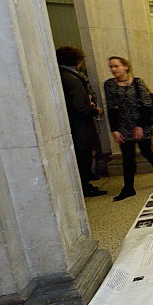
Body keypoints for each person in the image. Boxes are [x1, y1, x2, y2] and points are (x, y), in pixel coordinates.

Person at [104, 56, 153, 201]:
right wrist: (114, 129)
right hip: (123, 125)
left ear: (125, 67)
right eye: (111, 66)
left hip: (141, 123)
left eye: (116, 66)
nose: (113, 69)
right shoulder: (109, 84)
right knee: (128, 156)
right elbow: (111, 108)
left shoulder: (137, 82)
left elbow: (146, 105)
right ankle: (128, 188)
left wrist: (140, 126)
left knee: (147, 152)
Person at [57, 46, 107, 197]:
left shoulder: (61, 75)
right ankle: (85, 187)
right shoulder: (72, 79)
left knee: (81, 157)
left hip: (72, 125)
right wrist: (95, 111)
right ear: (77, 61)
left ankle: (85, 184)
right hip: (80, 126)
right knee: (83, 157)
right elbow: (79, 106)